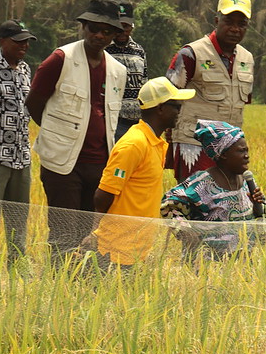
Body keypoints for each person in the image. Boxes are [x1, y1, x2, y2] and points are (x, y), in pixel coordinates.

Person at [25, 0, 126, 253]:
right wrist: (57, 134)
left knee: (90, 234)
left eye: (107, 31)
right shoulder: (61, 58)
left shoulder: (117, 70)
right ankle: (58, 281)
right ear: (83, 27)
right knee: (63, 233)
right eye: (94, 28)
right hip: (62, 163)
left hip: (99, 163)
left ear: (115, 34)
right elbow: (35, 102)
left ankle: (82, 284)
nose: (99, 36)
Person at [83, 77, 194, 270]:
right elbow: (103, 195)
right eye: (176, 106)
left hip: (137, 248)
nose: (180, 111)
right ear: (160, 108)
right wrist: (94, 235)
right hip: (115, 251)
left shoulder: (155, 143)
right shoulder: (134, 144)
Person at [167, 0, 255, 182]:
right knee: (195, 203)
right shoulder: (191, 54)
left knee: (225, 204)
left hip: (230, 150)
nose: (235, 29)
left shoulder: (247, 59)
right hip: (194, 145)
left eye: (241, 24)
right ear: (216, 20)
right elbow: (168, 98)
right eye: (229, 21)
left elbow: (243, 103)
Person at [161, 120, 266, 263]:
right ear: (223, 154)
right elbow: (168, 204)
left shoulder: (246, 181)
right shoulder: (202, 182)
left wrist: (257, 205)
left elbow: (262, 218)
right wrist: (188, 233)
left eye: (247, 150)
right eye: (241, 151)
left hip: (242, 265)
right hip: (207, 267)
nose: (246, 156)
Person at [0, 19, 35, 257]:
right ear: (3, 41)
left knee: (19, 216)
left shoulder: (25, 69)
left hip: (21, 154)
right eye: (18, 41)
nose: (24, 46)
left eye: (27, 42)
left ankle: (16, 262)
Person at [105, 1, 148, 141]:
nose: (122, 31)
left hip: (137, 122)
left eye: (126, 27)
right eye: (119, 27)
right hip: (114, 121)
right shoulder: (104, 50)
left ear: (132, 26)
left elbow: (144, 82)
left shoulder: (139, 51)